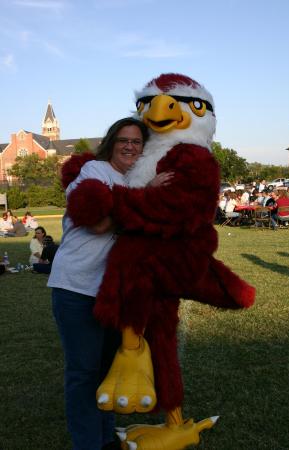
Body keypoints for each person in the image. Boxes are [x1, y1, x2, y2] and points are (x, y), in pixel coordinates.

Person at [47, 117, 171, 450]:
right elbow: (100, 224)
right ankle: (88, 444)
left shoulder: (137, 179)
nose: (130, 146)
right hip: (76, 286)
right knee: (84, 374)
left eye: (137, 142)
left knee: (107, 372)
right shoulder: (95, 173)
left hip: (112, 294)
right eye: (123, 140)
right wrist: (147, 196)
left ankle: (105, 439)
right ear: (110, 143)